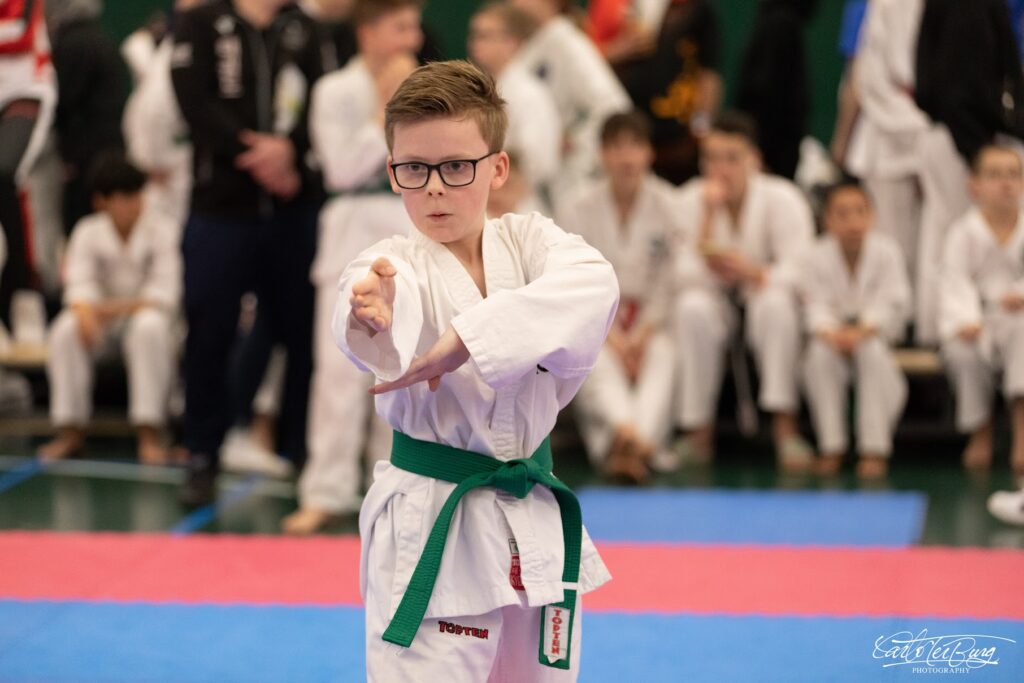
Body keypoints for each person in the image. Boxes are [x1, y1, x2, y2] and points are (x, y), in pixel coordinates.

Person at [335, 60, 617, 680]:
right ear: (393, 172)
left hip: (531, 514)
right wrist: (371, 314)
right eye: (414, 169)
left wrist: (469, 338)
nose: (434, 188)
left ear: (498, 168)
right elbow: (369, 310)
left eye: (456, 167)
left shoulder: (532, 244)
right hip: (434, 521)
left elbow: (595, 284)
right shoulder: (390, 264)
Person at [171, 0, 323, 506]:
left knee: (304, 333)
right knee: (208, 331)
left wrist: (292, 151)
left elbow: (323, 99)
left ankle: (301, 451)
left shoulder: (305, 28)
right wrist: (257, 155)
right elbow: (193, 101)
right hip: (221, 208)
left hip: (293, 208)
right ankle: (202, 453)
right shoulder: (201, 22)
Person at [283, 0, 422, 535]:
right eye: (400, 28)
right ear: (368, 32)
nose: (411, 40)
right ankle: (326, 490)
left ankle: (397, 492)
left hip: (406, 228)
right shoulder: (334, 90)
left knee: (403, 368)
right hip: (349, 230)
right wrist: (384, 107)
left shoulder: (424, 89)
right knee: (339, 372)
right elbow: (340, 169)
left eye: (413, 28)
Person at [673, 111, 815, 469]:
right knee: (691, 308)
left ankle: (785, 427)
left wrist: (753, 273)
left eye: (732, 158)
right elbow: (679, 272)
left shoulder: (783, 198)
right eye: (712, 158)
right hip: (714, 298)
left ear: (754, 160)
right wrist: (708, 222)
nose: (721, 169)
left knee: (775, 305)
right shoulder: (689, 200)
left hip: (763, 295)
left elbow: (802, 268)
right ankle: (698, 432)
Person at [38, 152, 180, 464]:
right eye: (121, 197)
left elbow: (164, 292)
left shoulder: (163, 229)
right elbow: (78, 283)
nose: (131, 205)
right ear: (101, 201)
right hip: (102, 326)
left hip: (148, 321)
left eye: (135, 195)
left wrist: (103, 309)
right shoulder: (87, 231)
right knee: (65, 330)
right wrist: (84, 311)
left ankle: (150, 435)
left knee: (149, 326)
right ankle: (70, 432)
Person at [558, 111, 677, 483]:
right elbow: (575, 280)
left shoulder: (669, 203)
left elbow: (669, 280)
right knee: (594, 357)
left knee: (663, 356)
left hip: (651, 321)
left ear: (649, 153)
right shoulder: (576, 206)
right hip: (598, 321)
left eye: (635, 146)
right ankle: (633, 437)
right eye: (616, 148)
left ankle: (629, 440)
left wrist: (642, 334)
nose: (626, 157)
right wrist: (613, 337)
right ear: (602, 155)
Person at [799, 179, 911, 479]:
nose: (853, 222)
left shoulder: (887, 251)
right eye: (842, 214)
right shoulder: (815, 255)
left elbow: (894, 304)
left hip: (874, 338)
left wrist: (862, 330)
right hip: (831, 338)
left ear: (872, 216)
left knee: (871, 352)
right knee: (818, 356)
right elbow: (813, 306)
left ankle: (874, 449)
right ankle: (831, 446)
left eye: (860, 212)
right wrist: (831, 333)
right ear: (827, 220)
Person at [939, 144, 1024, 473]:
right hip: (975, 319)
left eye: (1013, 174)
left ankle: (1021, 433)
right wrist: (966, 319)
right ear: (974, 185)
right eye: (994, 175)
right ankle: (980, 432)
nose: (1005, 183)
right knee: (964, 352)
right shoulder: (961, 232)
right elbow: (953, 281)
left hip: (1018, 320)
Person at [510, 0, 631, 201]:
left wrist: (577, 141)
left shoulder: (566, 41)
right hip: (543, 184)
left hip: (574, 183)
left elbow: (613, 107)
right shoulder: (534, 43)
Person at [45, 0, 127, 233]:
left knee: (84, 226)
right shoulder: (97, 37)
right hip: (102, 152)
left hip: (88, 160)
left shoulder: (75, 43)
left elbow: (61, 100)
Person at [468, 1, 560, 208]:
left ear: (512, 42)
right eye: (474, 35)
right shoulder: (482, 88)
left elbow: (539, 161)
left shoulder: (529, 93)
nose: (476, 43)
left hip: (517, 202)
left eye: (485, 35)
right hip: (484, 197)